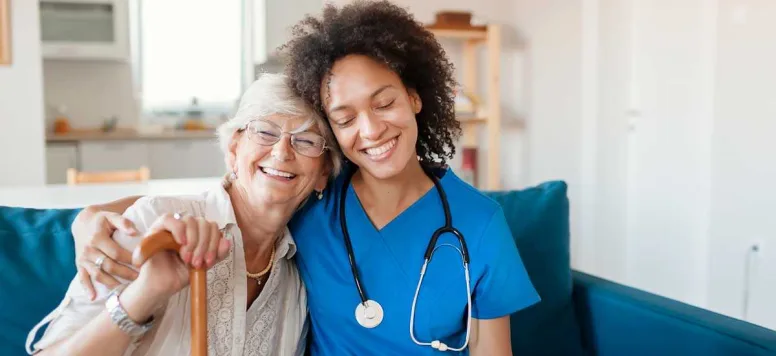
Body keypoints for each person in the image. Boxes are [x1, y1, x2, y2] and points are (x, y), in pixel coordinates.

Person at [63, 1, 540, 355]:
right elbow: (227, 196)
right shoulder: (316, 201)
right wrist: (89, 216)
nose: (371, 130)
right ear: (333, 132)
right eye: (345, 117)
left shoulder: (480, 224)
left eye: (385, 102)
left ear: (415, 97)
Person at [25, 73, 341, 356]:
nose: (282, 152)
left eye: (306, 141)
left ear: (324, 172)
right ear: (233, 149)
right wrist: (145, 293)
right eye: (265, 133)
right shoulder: (152, 224)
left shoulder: (298, 275)